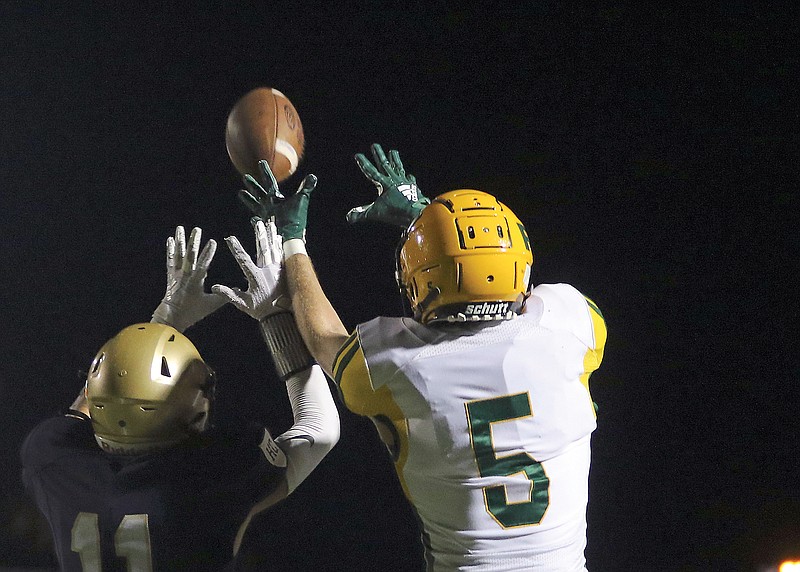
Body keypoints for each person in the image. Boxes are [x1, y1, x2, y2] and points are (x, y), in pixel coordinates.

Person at [237, 145, 607, 571]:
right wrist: (423, 214)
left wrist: (292, 240)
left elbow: (322, 339)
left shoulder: (400, 365)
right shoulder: (570, 325)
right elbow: (501, 285)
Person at [20, 221, 340, 571]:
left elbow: (97, 398)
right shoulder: (215, 476)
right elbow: (319, 428)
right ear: (195, 414)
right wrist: (275, 318)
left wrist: (163, 322)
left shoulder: (52, 461)